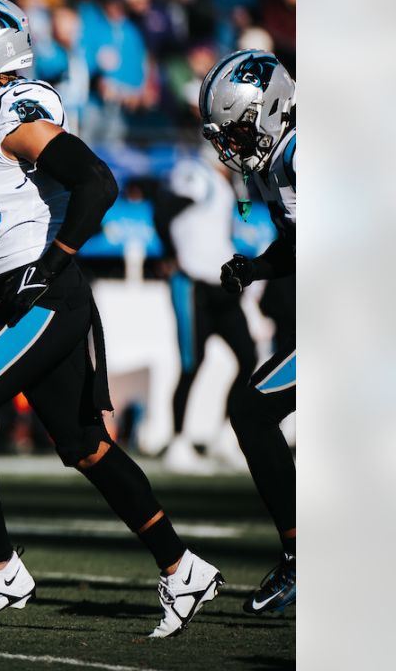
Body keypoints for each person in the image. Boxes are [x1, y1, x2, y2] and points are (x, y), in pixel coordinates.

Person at [0, 0, 222, 638]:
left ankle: (2, 568)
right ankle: (183, 568)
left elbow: (98, 183)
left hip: (42, 298)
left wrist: (54, 261)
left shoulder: (13, 109)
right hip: (38, 292)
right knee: (85, 447)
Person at [198, 48, 297, 614]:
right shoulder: (280, 159)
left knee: (254, 412)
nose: (231, 144)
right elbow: (297, 241)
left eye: (238, 129)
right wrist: (257, 266)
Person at [153, 150, 257, 471]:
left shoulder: (229, 182)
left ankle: (225, 435)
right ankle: (179, 441)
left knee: (249, 358)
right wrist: (171, 253)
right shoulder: (196, 171)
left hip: (221, 285)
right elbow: (165, 209)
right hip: (193, 282)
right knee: (192, 363)